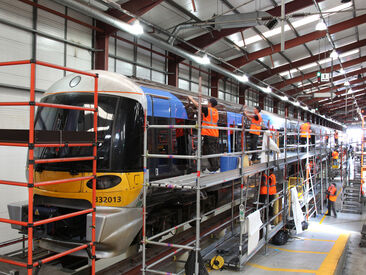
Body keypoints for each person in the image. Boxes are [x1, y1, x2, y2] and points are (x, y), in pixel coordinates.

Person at [188, 96, 219, 172]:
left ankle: (214, 168)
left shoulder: (208, 110)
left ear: (210, 103)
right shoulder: (215, 111)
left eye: (208, 102)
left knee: (210, 151)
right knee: (212, 151)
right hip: (214, 133)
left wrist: (191, 99)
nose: (207, 103)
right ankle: (214, 167)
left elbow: (198, 106)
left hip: (209, 134)